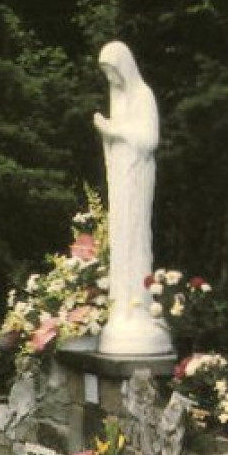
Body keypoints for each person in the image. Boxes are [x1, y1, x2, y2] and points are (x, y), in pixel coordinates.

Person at [93, 40, 171, 357]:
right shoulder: (119, 99)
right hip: (121, 182)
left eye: (112, 71)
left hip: (138, 178)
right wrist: (108, 133)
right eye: (105, 73)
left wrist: (115, 131)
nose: (110, 79)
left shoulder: (142, 95)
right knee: (121, 240)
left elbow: (149, 139)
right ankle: (121, 308)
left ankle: (139, 309)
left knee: (136, 239)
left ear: (125, 67)